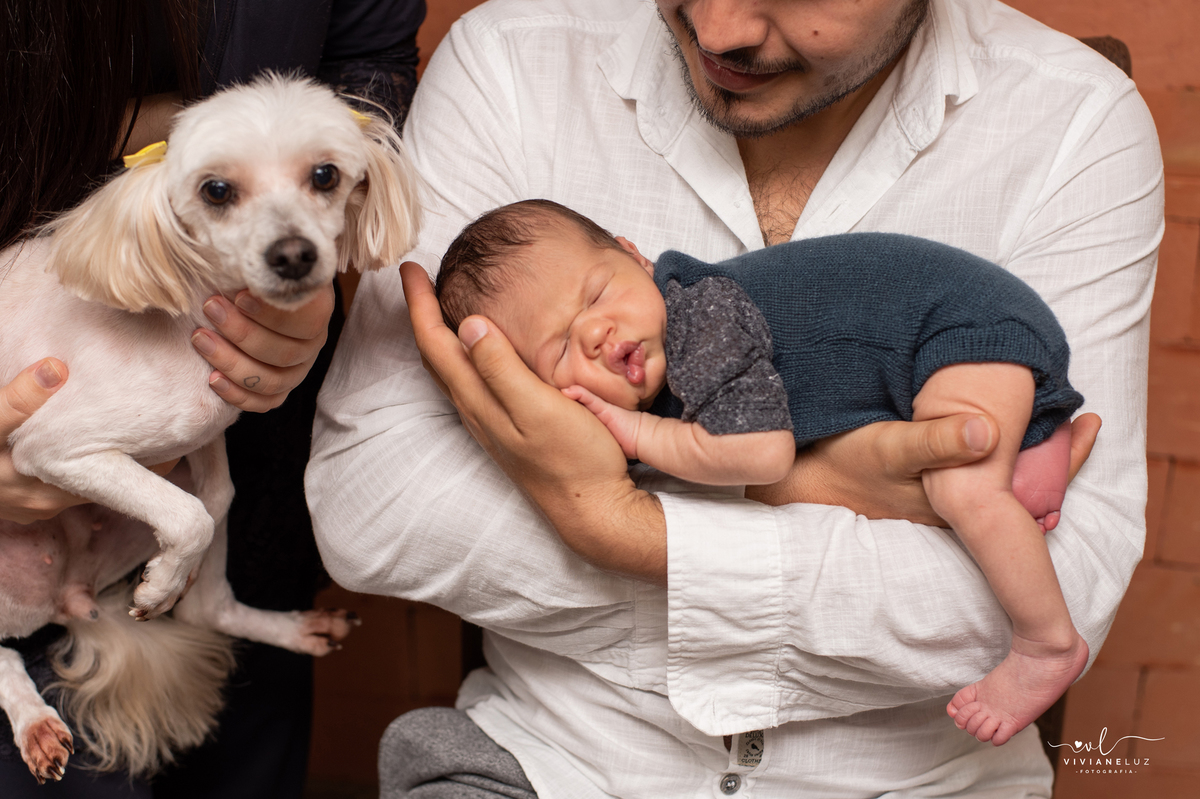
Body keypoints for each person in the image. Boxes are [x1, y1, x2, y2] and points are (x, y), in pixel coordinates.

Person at [308, 0, 1162, 795]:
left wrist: (612, 519)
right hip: (556, 762)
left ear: (638, 259)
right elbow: (372, 504)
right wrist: (833, 493)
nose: (719, 30)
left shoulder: (1072, 121)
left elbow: (1065, 588)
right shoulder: (512, 61)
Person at [0, 0, 424, 796]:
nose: (290, 232)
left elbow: (369, 61)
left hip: (241, 488)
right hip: (56, 525)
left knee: (241, 755)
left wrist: (321, 287)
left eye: (323, 180)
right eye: (223, 191)